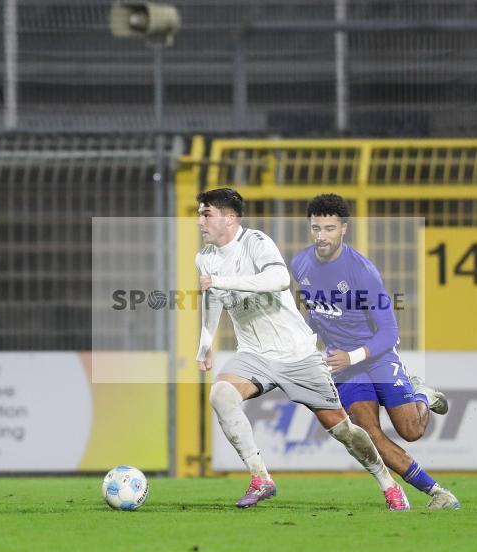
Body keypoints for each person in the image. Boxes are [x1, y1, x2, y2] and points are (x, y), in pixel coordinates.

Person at [195, 187, 411, 511]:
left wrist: (223, 282)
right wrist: (206, 343)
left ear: (229, 218)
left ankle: (388, 484)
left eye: (206, 214)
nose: (199, 221)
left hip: (297, 353)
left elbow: (279, 279)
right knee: (221, 396)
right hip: (255, 353)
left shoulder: (255, 242)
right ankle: (260, 478)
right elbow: (212, 298)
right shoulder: (205, 258)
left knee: (343, 430)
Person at [290, 194, 460, 510]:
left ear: (343, 229)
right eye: (315, 228)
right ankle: (437, 491)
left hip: (376, 357)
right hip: (344, 367)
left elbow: (389, 332)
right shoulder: (300, 264)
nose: (321, 236)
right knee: (368, 434)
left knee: (410, 431)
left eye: (329, 229)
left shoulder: (362, 271)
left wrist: (352, 356)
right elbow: (315, 312)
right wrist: (305, 343)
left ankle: (421, 394)